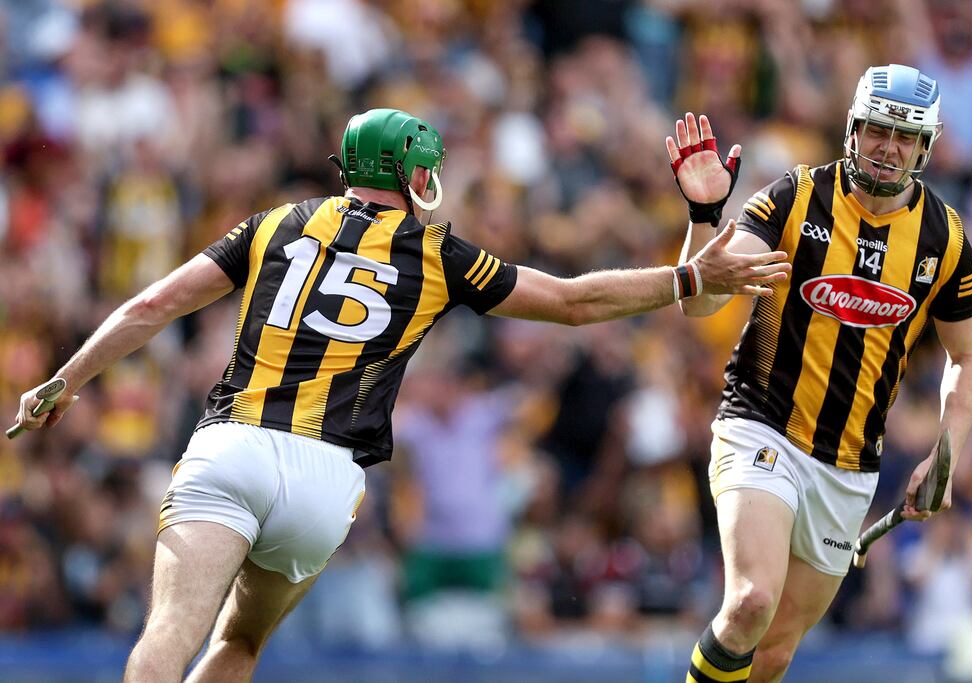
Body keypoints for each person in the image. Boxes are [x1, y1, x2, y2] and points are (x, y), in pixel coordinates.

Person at [12, 107, 789, 682]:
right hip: (326, 483)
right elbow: (574, 300)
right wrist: (688, 276)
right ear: (415, 173)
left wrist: (62, 381)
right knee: (238, 642)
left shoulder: (275, 223)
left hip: (232, 446)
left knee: (168, 630)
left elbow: (149, 307)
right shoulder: (437, 252)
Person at [669, 65, 972, 683]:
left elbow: (969, 356)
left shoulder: (944, 238)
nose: (888, 148)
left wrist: (947, 451)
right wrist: (704, 216)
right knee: (750, 604)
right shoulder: (795, 196)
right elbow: (700, 300)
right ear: (852, 128)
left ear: (926, 146)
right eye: (876, 130)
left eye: (905, 136)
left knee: (775, 652)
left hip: (849, 464)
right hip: (762, 428)